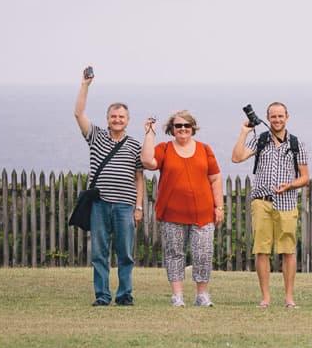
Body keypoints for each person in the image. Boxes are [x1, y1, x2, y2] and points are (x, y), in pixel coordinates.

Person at [73, 67, 144, 306]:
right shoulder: (96, 137)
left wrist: (139, 207)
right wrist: (85, 85)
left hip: (125, 205)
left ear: (127, 120)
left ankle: (125, 296)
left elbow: (139, 178)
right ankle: (102, 296)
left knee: (125, 254)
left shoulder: (135, 145)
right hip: (99, 205)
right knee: (99, 254)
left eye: (121, 117)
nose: (117, 120)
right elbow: (78, 114)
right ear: (107, 119)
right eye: (113, 116)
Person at [231, 102, 309, 308]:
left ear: (287, 117)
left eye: (280, 116)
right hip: (261, 202)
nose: (276, 120)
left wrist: (290, 185)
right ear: (268, 117)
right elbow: (236, 158)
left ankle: (289, 298)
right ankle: (265, 298)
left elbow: (305, 177)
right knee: (262, 250)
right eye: (273, 116)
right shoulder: (260, 140)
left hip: (287, 202)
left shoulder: (296, 143)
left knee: (288, 251)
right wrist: (244, 133)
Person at [141, 111, 223, 307]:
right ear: (172, 129)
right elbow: (146, 161)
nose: (183, 129)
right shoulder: (165, 148)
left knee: (203, 254)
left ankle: (202, 295)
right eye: (178, 126)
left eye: (187, 125)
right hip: (172, 214)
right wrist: (150, 133)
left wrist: (219, 206)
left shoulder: (205, 149)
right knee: (174, 253)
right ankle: (177, 296)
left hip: (203, 214)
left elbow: (215, 178)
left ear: (193, 128)